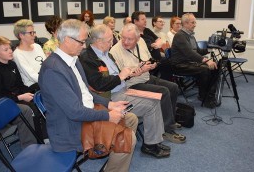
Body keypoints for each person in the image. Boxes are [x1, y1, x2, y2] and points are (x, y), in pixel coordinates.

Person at [38, 19, 137, 172]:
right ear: (67, 40)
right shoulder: (53, 70)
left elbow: (86, 92)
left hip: (85, 115)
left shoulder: (73, 60)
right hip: (70, 128)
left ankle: (111, 155)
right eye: (81, 42)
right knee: (127, 138)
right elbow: (74, 112)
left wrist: (109, 104)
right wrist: (107, 116)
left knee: (131, 118)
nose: (84, 46)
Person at [80, 24, 171, 158]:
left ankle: (154, 141)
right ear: (98, 41)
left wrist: (130, 73)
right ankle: (151, 145)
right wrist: (121, 76)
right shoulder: (88, 59)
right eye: (109, 40)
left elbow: (118, 75)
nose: (113, 42)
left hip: (124, 89)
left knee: (156, 98)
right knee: (151, 105)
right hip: (111, 97)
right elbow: (99, 85)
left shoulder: (107, 54)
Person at [110, 23, 186, 144]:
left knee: (173, 87)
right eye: (123, 38)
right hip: (131, 84)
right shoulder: (114, 51)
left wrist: (152, 64)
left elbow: (149, 58)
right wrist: (134, 72)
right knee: (164, 92)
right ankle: (167, 129)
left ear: (138, 38)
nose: (125, 41)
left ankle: (168, 120)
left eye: (129, 39)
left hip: (146, 77)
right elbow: (119, 79)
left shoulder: (141, 43)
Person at [0, 36, 48, 141]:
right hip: (3, 102)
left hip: (16, 96)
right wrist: (20, 97)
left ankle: (48, 133)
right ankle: (41, 139)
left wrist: (29, 94)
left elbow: (20, 85)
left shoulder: (12, 64)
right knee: (33, 108)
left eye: (10, 48)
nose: (10, 51)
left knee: (41, 92)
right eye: (6, 50)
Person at [171, 13, 219, 108]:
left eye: (194, 22)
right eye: (193, 22)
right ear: (185, 23)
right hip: (180, 65)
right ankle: (204, 97)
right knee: (205, 69)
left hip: (189, 63)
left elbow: (198, 51)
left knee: (215, 67)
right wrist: (206, 61)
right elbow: (190, 53)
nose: (195, 25)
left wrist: (210, 49)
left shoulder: (190, 36)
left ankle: (208, 96)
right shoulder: (180, 36)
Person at [132, 11, 172, 80]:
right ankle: (163, 82)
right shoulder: (133, 34)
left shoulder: (146, 30)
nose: (145, 21)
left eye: (145, 19)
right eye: (143, 19)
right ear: (135, 21)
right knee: (166, 62)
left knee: (169, 61)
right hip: (146, 60)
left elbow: (159, 40)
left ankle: (165, 82)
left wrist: (156, 45)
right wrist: (152, 46)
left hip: (156, 58)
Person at [13, 19, 46, 87]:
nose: (34, 35)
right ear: (21, 35)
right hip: (34, 87)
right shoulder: (18, 54)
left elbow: (47, 66)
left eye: (34, 32)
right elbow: (32, 76)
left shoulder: (37, 46)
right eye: (31, 33)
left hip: (46, 81)